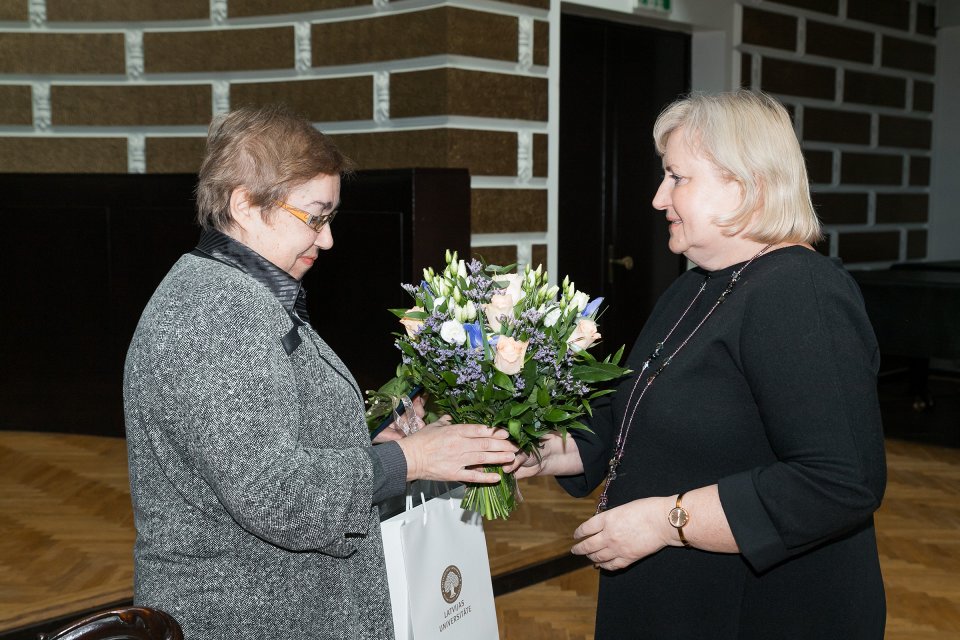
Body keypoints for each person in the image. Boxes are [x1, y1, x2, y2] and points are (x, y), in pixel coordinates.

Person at [123, 104, 517, 640]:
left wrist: (374, 442)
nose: (327, 240)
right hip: (244, 614)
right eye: (315, 216)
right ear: (244, 205)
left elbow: (275, 439)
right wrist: (413, 459)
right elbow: (280, 497)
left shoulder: (239, 293)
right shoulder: (212, 317)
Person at [507, 90, 887, 638]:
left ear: (747, 185)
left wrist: (668, 521)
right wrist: (534, 451)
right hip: (684, 598)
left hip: (763, 611)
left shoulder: (800, 292)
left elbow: (839, 482)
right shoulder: (696, 285)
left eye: (677, 177)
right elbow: (630, 416)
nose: (659, 198)